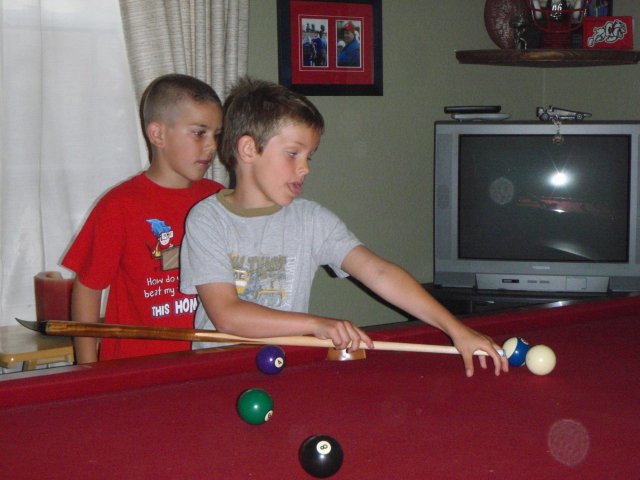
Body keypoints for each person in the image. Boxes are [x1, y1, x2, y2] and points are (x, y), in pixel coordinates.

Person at [180, 78, 508, 377]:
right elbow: (227, 315)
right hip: (217, 373)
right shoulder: (208, 219)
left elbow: (379, 272)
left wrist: (455, 328)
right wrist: (317, 324)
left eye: (309, 156)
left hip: (283, 370)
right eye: (293, 154)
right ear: (249, 149)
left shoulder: (311, 220)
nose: (305, 168)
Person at [62, 73, 224, 363]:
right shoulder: (119, 206)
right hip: (134, 368)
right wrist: (87, 367)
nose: (212, 146)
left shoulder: (219, 199)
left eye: (216, 134)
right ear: (158, 135)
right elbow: (88, 289)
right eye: (199, 133)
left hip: (206, 362)